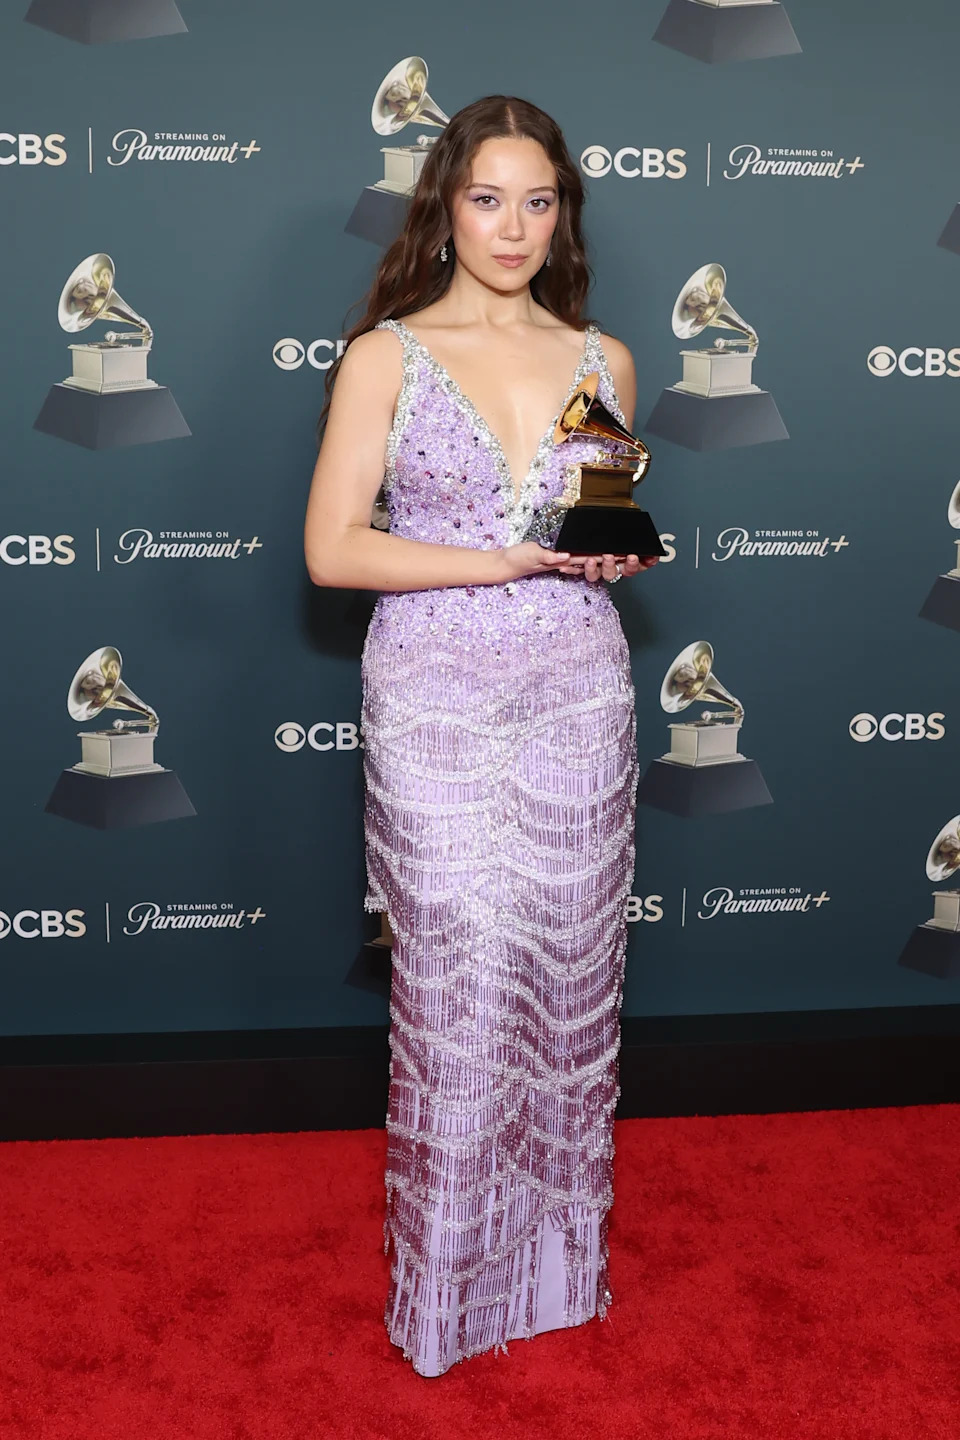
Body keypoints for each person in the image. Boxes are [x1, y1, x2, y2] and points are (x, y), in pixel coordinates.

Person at [304, 94, 659, 1377]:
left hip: (577, 690)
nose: (514, 226)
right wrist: (496, 560)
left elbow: (594, 518)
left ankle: (558, 1278)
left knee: (568, 987)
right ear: (445, 206)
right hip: (438, 696)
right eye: (487, 197)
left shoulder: (606, 359)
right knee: (457, 986)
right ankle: (447, 1298)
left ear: (564, 211)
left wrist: (593, 560)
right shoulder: (386, 357)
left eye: (539, 199)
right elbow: (333, 549)